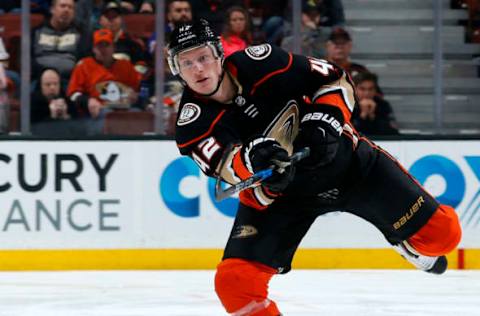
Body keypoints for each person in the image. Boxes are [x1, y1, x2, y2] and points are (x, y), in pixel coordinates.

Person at [168, 19, 462, 315]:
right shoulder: (192, 124)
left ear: (219, 54)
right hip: (280, 197)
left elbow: (337, 79)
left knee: (444, 235)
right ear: (176, 69)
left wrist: (324, 120)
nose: (198, 69)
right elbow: (226, 167)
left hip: (348, 166)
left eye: (203, 57)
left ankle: (407, 244)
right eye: (187, 62)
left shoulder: (266, 61)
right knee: (234, 283)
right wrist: (253, 160)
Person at [67, 29, 141, 135]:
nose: (103, 49)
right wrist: (87, 101)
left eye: (106, 45)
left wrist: (135, 96)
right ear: (93, 49)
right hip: (98, 114)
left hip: (124, 111)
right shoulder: (84, 65)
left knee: (139, 116)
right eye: (99, 46)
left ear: (113, 47)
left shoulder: (126, 66)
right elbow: (73, 94)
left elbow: (138, 90)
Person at [32, 0, 91, 80]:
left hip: (69, 80)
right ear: (52, 9)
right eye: (63, 6)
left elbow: (84, 61)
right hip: (39, 80)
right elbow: (27, 60)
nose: (66, 10)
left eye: (70, 8)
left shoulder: (81, 34)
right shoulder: (36, 32)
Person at [98, 0, 148, 76]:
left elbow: (142, 65)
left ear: (121, 19)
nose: (111, 20)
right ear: (100, 20)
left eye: (115, 16)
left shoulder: (132, 42)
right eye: (108, 16)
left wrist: (132, 75)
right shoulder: (92, 42)